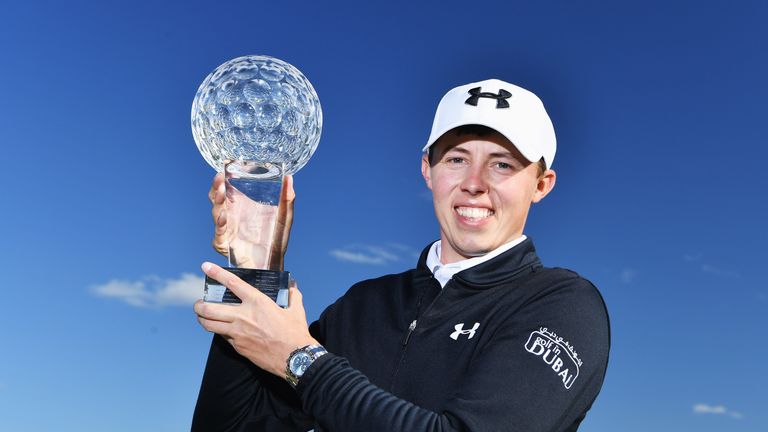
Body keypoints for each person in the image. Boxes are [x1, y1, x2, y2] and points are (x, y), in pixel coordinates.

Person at [192, 78, 610, 431]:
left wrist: (298, 358)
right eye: (457, 159)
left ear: (541, 184)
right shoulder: (364, 306)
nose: (475, 183)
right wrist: (253, 270)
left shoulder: (563, 306)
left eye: (502, 165)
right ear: (427, 169)